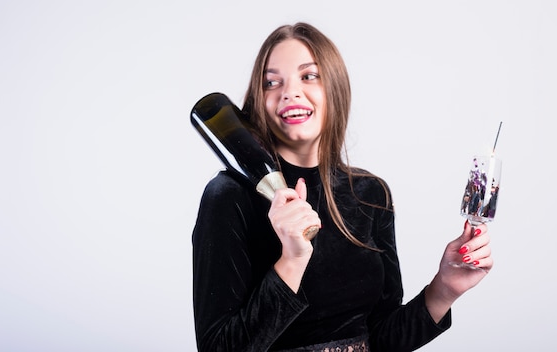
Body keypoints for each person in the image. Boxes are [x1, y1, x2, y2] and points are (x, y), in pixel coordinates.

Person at [191, 22, 493, 352]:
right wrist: (292, 259)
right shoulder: (230, 197)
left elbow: (381, 339)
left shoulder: (371, 194)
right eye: (271, 82)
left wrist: (444, 290)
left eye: (309, 76)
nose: (289, 92)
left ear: (335, 88)